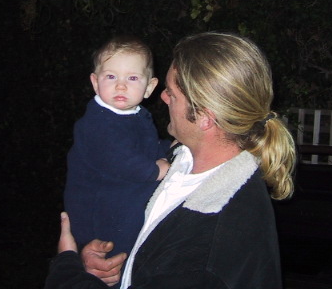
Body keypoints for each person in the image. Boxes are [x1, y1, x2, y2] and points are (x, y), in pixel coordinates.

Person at [47, 32, 296, 289]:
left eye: (172, 94)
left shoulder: (208, 249)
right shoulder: (178, 159)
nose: (163, 97)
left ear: (204, 118)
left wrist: (67, 266)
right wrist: (96, 260)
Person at [64, 35, 171, 260]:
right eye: (111, 76)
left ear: (149, 87)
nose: (120, 85)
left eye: (132, 78)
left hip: (121, 204)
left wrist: (168, 146)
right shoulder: (97, 123)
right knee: (120, 258)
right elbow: (119, 158)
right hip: (100, 217)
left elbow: (144, 146)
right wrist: (154, 171)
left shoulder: (135, 115)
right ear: (95, 83)